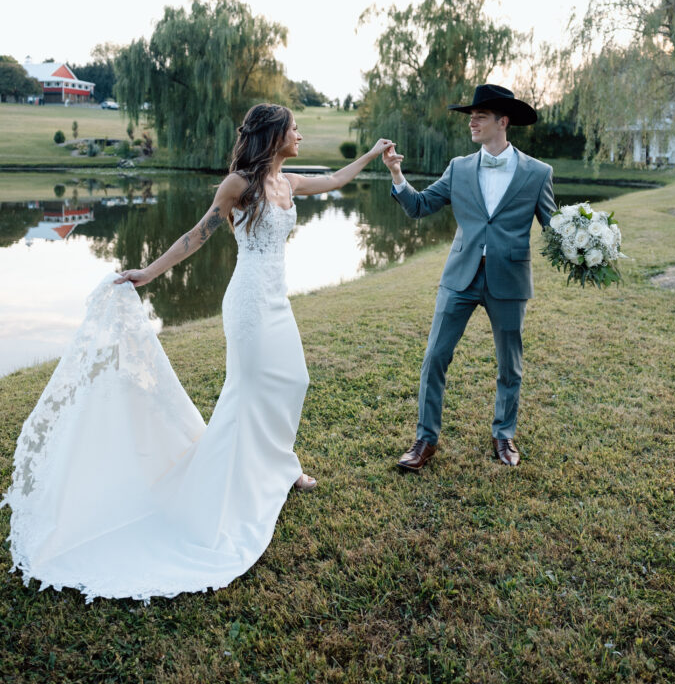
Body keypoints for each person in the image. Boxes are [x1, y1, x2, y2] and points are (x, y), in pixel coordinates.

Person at [2, 102, 394, 602]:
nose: (300, 134)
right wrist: (147, 273)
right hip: (249, 301)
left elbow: (337, 179)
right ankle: (240, 481)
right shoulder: (238, 186)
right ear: (274, 136)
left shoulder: (288, 183)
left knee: (294, 379)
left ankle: (277, 462)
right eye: (294, 128)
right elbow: (196, 237)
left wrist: (372, 152)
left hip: (278, 300)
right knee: (245, 392)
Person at [383, 84, 556, 470]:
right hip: (459, 277)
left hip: (509, 279)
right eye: (471, 116)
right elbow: (421, 205)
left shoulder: (538, 173)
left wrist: (584, 241)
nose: (472, 122)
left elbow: (554, 227)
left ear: (503, 121)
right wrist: (397, 173)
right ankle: (425, 441)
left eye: (480, 115)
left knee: (509, 365)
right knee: (434, 358)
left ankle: (503, 435)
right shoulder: (459, 168)